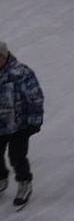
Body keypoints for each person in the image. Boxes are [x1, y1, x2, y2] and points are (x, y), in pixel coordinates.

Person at [0, 40, 44, 209]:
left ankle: (24, 182)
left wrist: (34, 122)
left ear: (4, 56)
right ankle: (1, 178)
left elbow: (35, 97)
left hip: (19, 125)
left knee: (17, 157)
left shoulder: (21, 73)